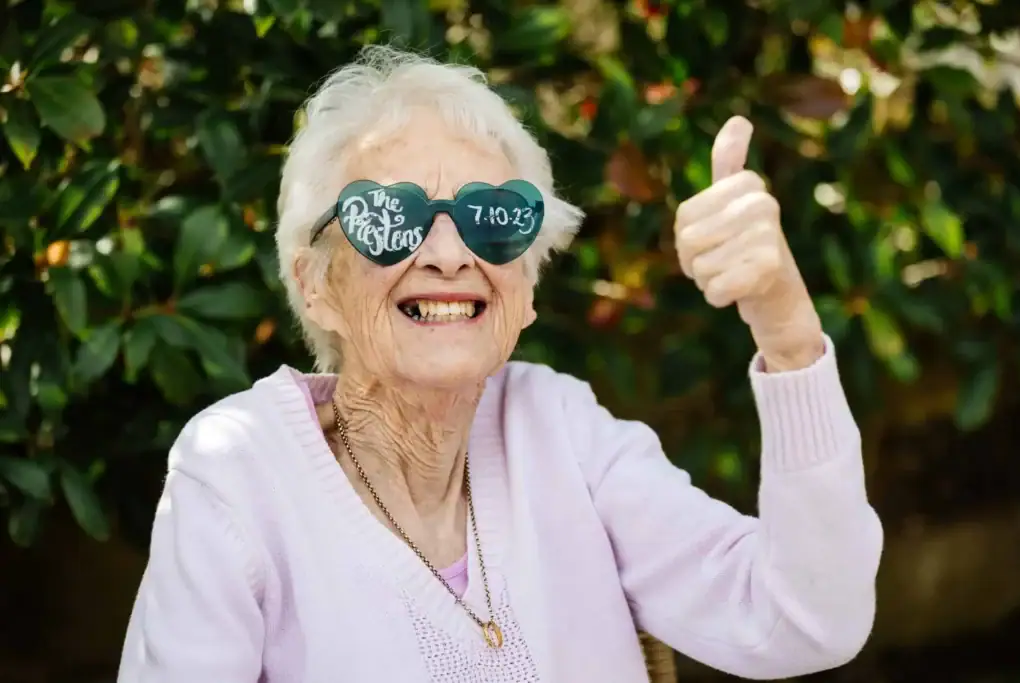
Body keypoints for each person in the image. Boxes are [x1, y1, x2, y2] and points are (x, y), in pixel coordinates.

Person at [117, 46, 883, 682]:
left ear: (529, 285)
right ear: (314, 284)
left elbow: (805, 619)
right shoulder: (237, 477)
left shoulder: (563, 431)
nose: (450, 255)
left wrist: (786, 332)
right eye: (392, 218)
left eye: (494, 219)